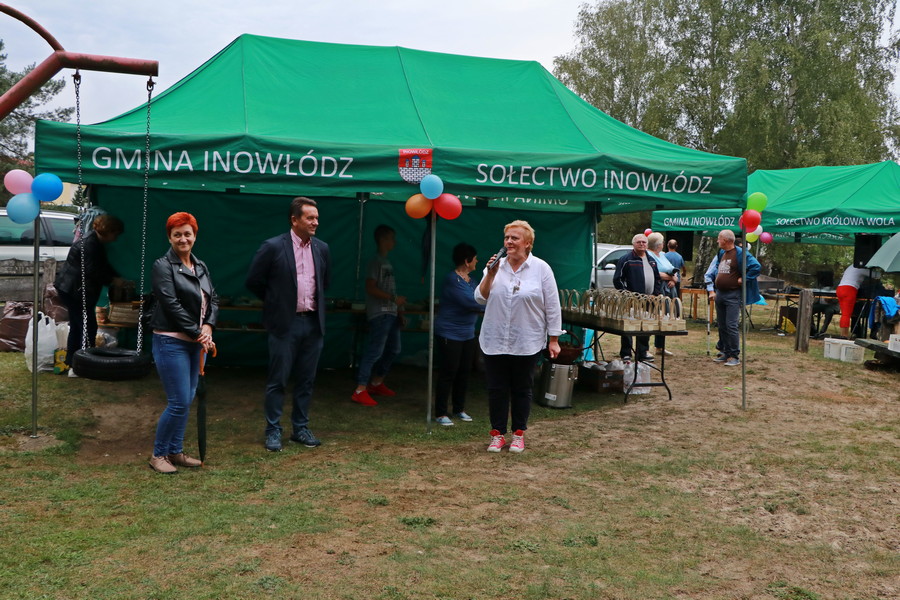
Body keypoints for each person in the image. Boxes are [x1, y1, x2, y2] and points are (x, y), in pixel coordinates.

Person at [246, 197, 331, 452]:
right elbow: (253, 281)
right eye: (310, 218)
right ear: (294, 220)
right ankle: (273, 430)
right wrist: (276, 302)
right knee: (278, 380)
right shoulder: (273, 247)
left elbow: (324, 283)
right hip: (285, 324)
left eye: (317, 218)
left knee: (306, 380)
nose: (315, 222)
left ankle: (300, 428)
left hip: (313, 324)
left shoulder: (322, 248)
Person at [475, 220, 562, 454]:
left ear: (528, 243)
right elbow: (480, 298)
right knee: (496, 388)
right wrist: (490, 275)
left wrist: (554, 339)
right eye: (507, 238)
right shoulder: (496, 266)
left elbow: (552, 305)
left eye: (514, 238)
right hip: (495, 338)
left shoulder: (541, 268)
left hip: (527, 340)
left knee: (522, 388)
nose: (509, 242)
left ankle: (518, 434)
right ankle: (497, 434)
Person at [148, 212, 217, 474]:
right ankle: (158, 455)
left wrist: (208, 326)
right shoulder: (163, 266)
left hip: (196, 343)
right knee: (178, 401)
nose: (183, 239)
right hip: (171, 341)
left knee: (187, 399)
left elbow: (214, 299)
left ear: (195, 236)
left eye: (187, 234)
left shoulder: (200, 266)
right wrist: (199, 333)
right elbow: (171, 304)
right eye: (177, 234)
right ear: (170, 237)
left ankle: (175, 451)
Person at [55, 213, 125, 377]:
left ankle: (72, 363)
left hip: (69, 288)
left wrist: (116, 277)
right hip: (74, 290)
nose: (116, 238)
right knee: (88, 327)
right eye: (115, 234)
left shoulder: (94, 241)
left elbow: (102, 265)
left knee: (78, 326)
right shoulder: (90, 244)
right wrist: (113, 280)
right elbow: (92, 270)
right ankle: (82, 364)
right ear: (108, 231)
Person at [351, 224, 406, 406]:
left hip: (391, 313)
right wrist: (393, 299)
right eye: (391, 238)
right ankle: (360, 389)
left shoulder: (386, 261)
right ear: (383, 240)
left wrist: (398, 310)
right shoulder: (375, 262)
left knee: (394, 349)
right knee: (375, 351)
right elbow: (370, 287)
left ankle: (376, 382)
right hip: (380, 313)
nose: (394, 242)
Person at [433, 243, 483, 426]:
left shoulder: (471, 280)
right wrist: (490, 305)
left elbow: (481, 296)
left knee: (464, 371)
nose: (477, 261)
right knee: (449, 372)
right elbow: (472, 302)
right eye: (475, 258)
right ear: (467, 261)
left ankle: (459, 409)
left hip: (467, 333)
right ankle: (440, 413)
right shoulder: (452, 280)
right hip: (449, 333)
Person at [704, 230, 761, 367]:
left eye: (719, 238)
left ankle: (734, 355)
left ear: (726, 240)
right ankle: (725, 352)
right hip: (720, 293)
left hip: (733, 294)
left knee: (731, 325)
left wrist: (745, 278)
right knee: (722, 325)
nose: (717, 241)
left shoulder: (740, 253)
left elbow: (756, 266)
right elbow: (718, 267)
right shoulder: (722, 253)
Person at [613, 233, 662, 362]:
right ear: (633, 244)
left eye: (644, 242)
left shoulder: (651, 260)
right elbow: (618, 279)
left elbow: (657, 278)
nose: (641, 244)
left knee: (645, 326)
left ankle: (642, 352)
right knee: (629, 326)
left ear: (647, 244)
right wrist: (628, 294)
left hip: (649, 300)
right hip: (631, 300)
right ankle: (626, 353)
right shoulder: (626, 259)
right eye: (638, 242)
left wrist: (655, 294)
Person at [647, 232, 677, 357]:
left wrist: (673, 279)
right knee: (652, 316)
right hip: (655, 290)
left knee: (664, 316)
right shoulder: (648, 255)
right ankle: (645, 348)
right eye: (662, 242)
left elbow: (672, 269)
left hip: (667, 290)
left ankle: (660, 346)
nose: (663, 244)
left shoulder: (663, 255)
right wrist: (670, 277)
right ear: (658, 244)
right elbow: (654, 273)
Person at [836, 265, 870, 338]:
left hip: (840, 288)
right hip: (849, 289)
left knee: (844, 314)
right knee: (846, 314)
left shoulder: (851, 266)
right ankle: (844, 335)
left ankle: (842, 334)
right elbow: (875, 275)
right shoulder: (861, 268)